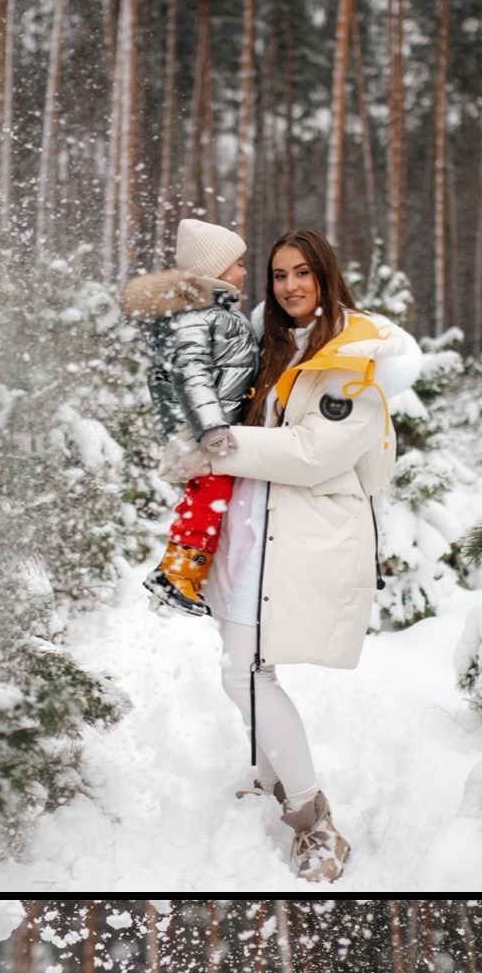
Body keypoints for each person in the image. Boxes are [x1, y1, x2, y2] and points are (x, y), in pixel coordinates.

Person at [172, 227, 421, 883]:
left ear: (326, 275)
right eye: (278, 275)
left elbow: (316, 454)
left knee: (245, 674)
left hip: (302, 537)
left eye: (302, 273)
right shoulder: (279, 345)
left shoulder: (355, 356)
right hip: (253, 532)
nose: (289, 286)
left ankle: (314, 819)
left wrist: (220, 444)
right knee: (244, 666)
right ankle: (269, 774)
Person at [123, 218, 260, 616]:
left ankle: (182, 571)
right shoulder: (200, 316)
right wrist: (210, 426)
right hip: (209, 431)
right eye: (237, 263)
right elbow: (190, 372)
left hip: (214, 428)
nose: (244, 270)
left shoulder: (214, 313)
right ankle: (178, 574)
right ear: (216, 270)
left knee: (205, 499)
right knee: (208, 499)